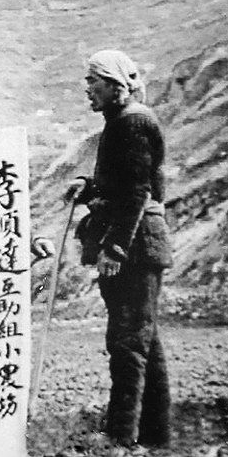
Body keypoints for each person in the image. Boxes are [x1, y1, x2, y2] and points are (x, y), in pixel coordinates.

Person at [63, 49, 171, 450]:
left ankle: (122, 436)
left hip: (137, 246)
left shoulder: (134, 122)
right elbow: (123, 185)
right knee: (143, 339)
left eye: (93, 79)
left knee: (127, 341)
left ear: (115, 84)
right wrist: (87, 187)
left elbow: (138, 192)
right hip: (140, 243)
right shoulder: (121, 123)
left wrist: (115, 249)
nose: (87, 87)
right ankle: (155, 435)